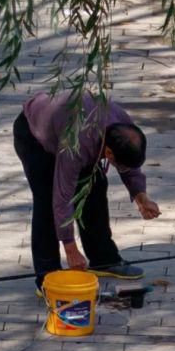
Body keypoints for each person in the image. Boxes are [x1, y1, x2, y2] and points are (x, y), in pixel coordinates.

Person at [13, 91, 161, 287]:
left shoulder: (124, 127)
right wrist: (71, 249)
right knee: (47, 201)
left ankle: (103, 259)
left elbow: (129, 164)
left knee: (95, 189)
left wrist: (141, 196)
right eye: (119, 165)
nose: (123, 169)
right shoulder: (78, 143)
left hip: (70, 126)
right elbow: (62, 197)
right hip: (35, 136)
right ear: (108, 152)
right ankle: (48, 275)